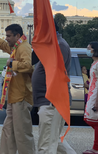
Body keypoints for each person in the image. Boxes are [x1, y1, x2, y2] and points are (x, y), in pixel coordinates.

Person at [0, 21, 35, 154]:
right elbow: (1, 44)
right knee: (7, 130)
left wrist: (12, 63)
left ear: (17, 36)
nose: (6, 38)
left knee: (22, 133)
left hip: (21, 97)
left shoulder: (24, 47)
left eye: (9, 36)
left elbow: (28, 66)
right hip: (13, 96)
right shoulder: (16, 47)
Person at [32, 21, 76, 154]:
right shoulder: (52, 45)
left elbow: (55, 71)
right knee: (54, 141)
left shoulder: (59, 45)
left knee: (46, 145)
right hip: (48, 100)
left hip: (51, 101)